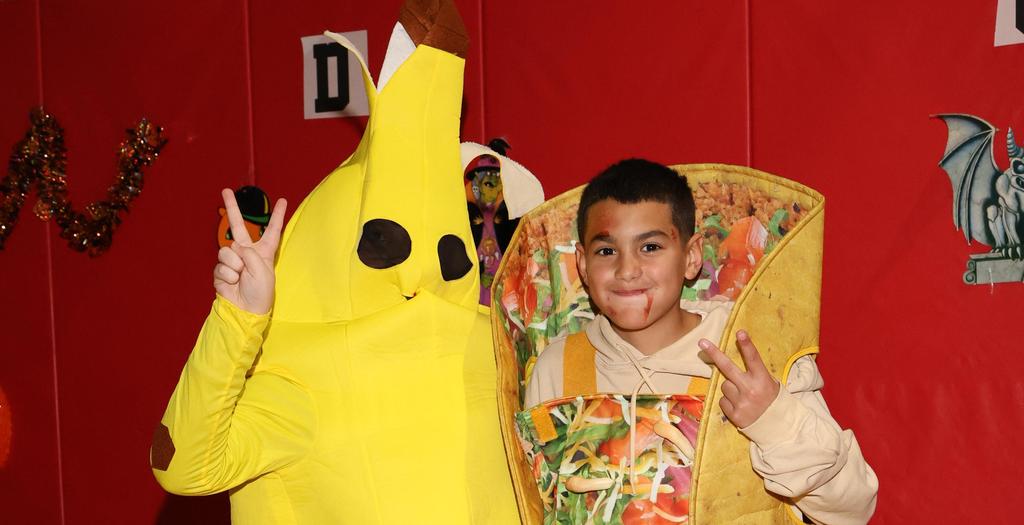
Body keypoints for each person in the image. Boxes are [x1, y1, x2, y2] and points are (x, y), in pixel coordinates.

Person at [523, 158, 877, 524]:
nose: (627, 270)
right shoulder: (557, 369)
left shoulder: (753, 357)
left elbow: (852, 511)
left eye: (650, 248)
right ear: (582, 264)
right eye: (607, 251)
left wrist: (773, 418)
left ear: (691, 257)